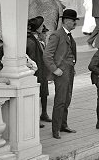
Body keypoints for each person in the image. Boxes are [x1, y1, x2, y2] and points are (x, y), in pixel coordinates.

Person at [44, 9, 79, 138]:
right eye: (73, 20)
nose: (75, 23)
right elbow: (47, 55)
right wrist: (54, 69)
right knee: (60, 100)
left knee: (67, 99)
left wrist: (72, 67)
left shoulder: (68, 35)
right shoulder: (57, 35)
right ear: (65, 21)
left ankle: (63, 125)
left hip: (69, 71)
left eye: (75, 20)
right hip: (61, 72)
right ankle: (55, 129)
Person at [26, 17, 50, 123]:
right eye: (41, 26)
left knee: (44, 93)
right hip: (36, 72)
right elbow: (32, 58)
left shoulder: (36, 39)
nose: (43, 28)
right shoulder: (31, 41)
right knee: (37, 94)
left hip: (41, 70)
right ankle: (36, 117)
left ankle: (44, 113)